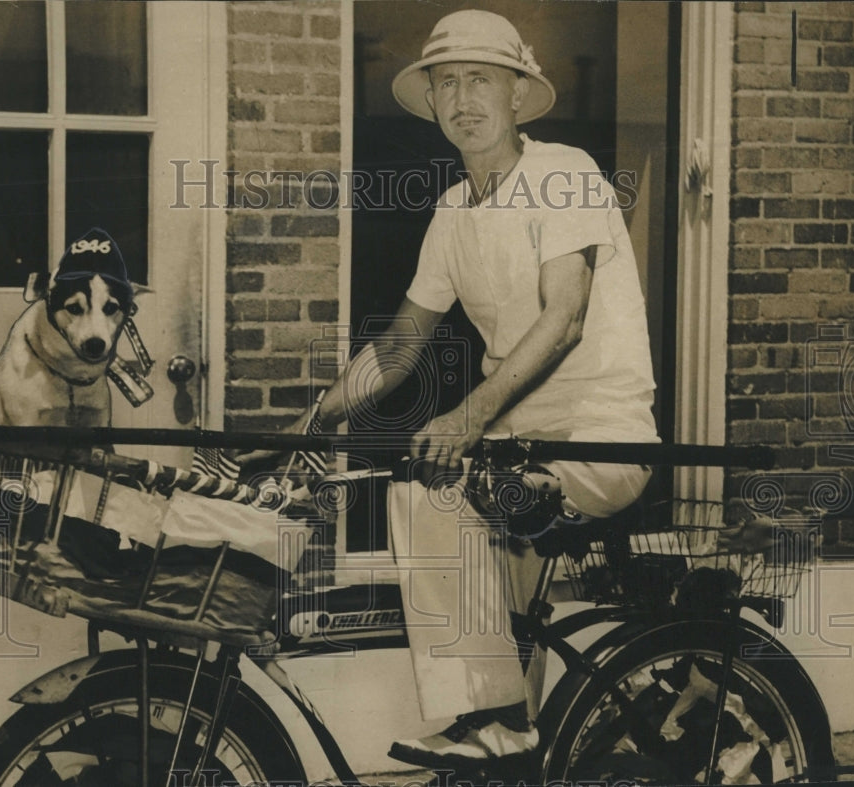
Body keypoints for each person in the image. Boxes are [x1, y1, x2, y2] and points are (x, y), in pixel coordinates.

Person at [247, 9, 659, 768]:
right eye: (446, 84)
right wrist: (312, 423)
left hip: (599, 440)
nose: (464, 100)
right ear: (432, 101)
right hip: (515, 450)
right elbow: (400, 345)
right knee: (502, 645)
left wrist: (466, 418)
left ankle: (492, 717)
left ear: (517, 94)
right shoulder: (451, 211)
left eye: (481, 81)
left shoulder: (563, 173)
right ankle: (502, 729)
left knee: (428, 492)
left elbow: (565, 318)